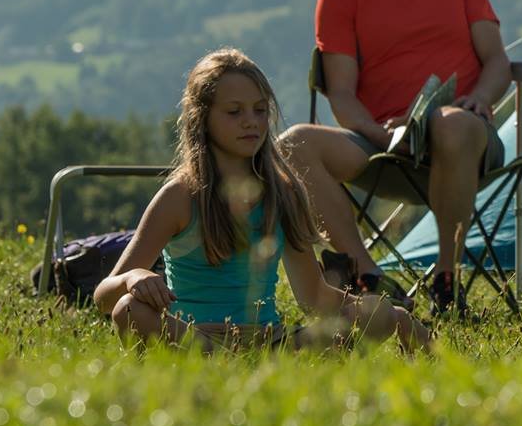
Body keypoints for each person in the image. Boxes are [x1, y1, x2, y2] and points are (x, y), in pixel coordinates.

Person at [277, 0, 510, 311]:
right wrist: (382, 135)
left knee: (451, 122)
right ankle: (367, 272)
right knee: (294, 144)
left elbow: (497, 61)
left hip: (465, 139)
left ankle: (446, 277)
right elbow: (342, 94)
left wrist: (481, 98)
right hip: (385, 146)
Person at [93, 49, 430, 351]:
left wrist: (383, 313)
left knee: (377, 314)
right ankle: (220, 363)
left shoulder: (283, 193)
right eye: (234, 112)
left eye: (259, 110)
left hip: (271, 342)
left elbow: (313, 296)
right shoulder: (180, 196)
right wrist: (132, 278)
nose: (251, 122)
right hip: (196, 339)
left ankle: (238, 366)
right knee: (128, 310)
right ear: (202, 119)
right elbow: (104, 297)